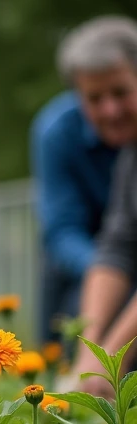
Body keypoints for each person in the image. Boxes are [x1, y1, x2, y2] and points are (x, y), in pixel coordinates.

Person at [31, 16, 137, 344]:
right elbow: (63, 229)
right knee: (70, 318)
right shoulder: (56, 133)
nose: (111, 110)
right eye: (94, 98)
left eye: (121, 92)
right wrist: (107, 274)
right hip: (90, 253)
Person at [67, 144, 137, 397]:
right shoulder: (129, 155)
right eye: (95, 101)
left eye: (120, 99)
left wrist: (114, 353)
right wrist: (88, 356)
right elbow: (117, 247)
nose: (110, 110)